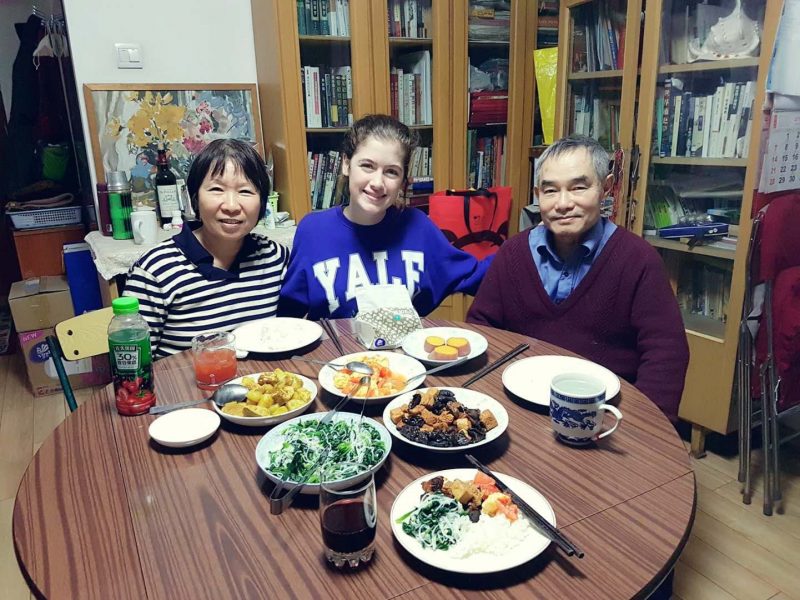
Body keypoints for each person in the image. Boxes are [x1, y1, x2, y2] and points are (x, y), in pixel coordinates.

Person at [467, 134, 689, 423]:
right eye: (550, 191)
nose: (563, 203)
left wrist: (641, 429)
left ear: (606, 188)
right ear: (537, 195)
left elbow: (666, 355)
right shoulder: (513, 253)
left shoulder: (638, 260)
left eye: (578, 188)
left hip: (604, 418)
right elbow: (481, 330)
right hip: (518, 407)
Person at [279, 114, 491, 320]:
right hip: (335, 355)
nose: (378, 183)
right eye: (367, 166)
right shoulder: (313, 231)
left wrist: (522, 246)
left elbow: (475, 276)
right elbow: (288, 316)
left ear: (402, 180)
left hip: (401, 355)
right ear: (346, 164)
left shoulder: (418, 227)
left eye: (391, 172)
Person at [124, 139, 289, 358]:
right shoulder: (156, 271)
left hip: (260, 387)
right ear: (194, 198)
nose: (231, 206)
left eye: (246, 192)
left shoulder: (274, 258)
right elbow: (134, 363)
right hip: (184, 388)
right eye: (216, 189)